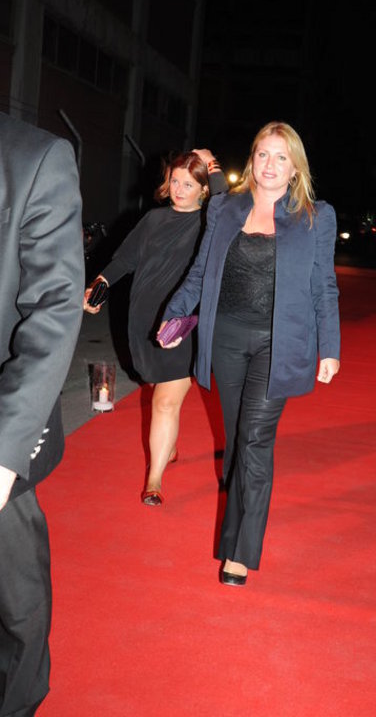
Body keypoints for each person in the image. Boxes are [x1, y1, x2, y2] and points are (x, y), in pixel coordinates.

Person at [159, 121, 340, 586]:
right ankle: (235, 528)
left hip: (278, 344)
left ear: (295, 167)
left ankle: (239, 552)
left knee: (256, 439)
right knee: (238, 438)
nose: (271, 164)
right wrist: (175, 314)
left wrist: (330, 346)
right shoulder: (224, 208)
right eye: (263, 154)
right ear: (252, 159)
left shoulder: (315, 217)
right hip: (226, 339)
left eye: (282, 157)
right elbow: (201, 271)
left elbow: (324, 285)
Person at [83, 150, 227, 505]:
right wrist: (100, 283)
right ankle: (169, 443)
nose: (179, 189)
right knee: (157, 389)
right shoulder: (152, 219)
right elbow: (124, 259)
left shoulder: (211, 223)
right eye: (175, 181)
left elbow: (227, 203)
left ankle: (154, 481)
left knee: (164, 403)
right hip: (142, 321)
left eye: (189, 184)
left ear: (204, 189)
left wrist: (213, 165)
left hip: (182, 326)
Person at [0, 112, 84, 716]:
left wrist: (5, 449)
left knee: (14, 598)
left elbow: (55, 308)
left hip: (1, 415)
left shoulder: (34, 157)